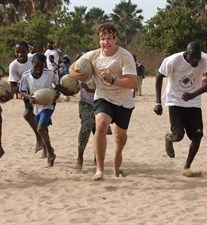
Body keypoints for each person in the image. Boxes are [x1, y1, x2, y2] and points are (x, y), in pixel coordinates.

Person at [69, 23, 137, 180]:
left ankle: (117, 158)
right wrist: (75, 74)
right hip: (103, 97)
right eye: (102, 39)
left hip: (123, 102)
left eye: (109, 38)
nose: (106, 42)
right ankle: (99, 169)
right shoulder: (93, 55)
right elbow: (72, 69)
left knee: (120, 138)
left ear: (116, 39)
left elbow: (133, 83)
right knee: (100, 126)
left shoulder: (125, 56)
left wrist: (114, 80)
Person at [153, 41, 207, 177]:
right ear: (186, 54)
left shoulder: (204, 58)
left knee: (197, 136)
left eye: (198, 57)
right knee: (179, 135)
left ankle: (187, 166)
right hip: (175, 100)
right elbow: (159, 76)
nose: (196, 60)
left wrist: (193, 94)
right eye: (193, 57)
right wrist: (158, 102)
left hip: (193, 103)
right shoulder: (173, 60)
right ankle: (169, 138)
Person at [19, 53, 60, 167]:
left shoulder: (49, 73)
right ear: (32, 63)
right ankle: (47, 151)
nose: (38, 69)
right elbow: (22, 90)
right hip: (36, 106)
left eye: (41, 67)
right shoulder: (26, 76)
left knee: (40, 127)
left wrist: (56, 94)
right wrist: (28, 97)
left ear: (44, 65)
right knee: (44, 129)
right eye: (36, 66)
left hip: (48, 105)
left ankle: (50, 151)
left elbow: (57, 86)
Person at [74, 51, 112, 170]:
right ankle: (80, 157)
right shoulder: (77, 75)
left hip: (99, 103)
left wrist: (87, 88)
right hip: (85, 104)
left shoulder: (98, 73)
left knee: (99, 131)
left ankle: (97, 157)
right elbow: (74, 90)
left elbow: (103, 88)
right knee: (86, 127)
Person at [8, 41, 46, 152]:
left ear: (27, 51)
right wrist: (9, 94)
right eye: (18, 52)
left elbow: (44, 70)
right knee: (27, 115)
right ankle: (39, 138)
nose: (20, 54)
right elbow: (13, 86)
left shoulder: (33, 59)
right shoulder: (13, 65)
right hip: (27, 94)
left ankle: (46, 148)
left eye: (23, 51)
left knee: (42, 121)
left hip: (41, 92)